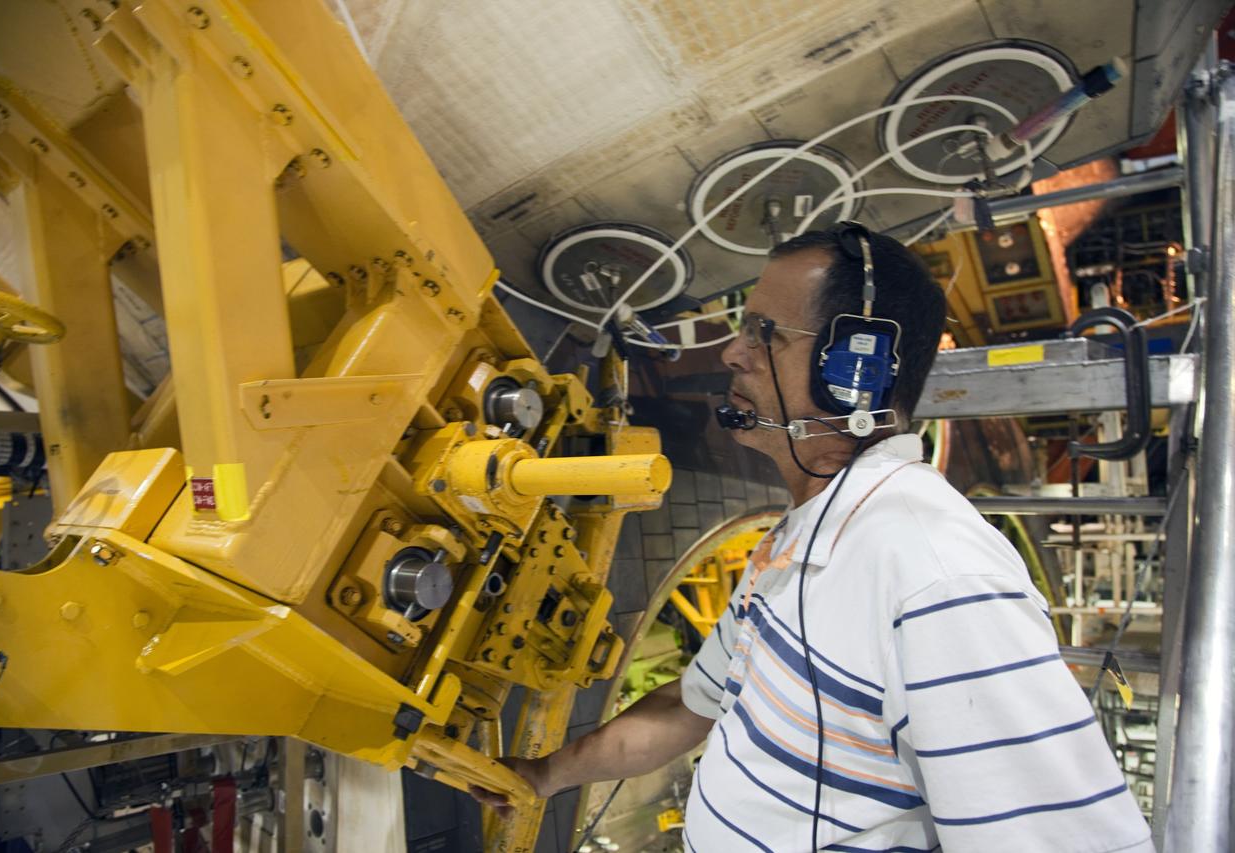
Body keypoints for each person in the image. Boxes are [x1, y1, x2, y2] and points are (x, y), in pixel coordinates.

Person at [473, 225, 1153, 852]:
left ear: (853, 373)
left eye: (766, 331)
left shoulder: (939, 575)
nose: (732, 352)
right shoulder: (802, 537)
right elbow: (690, 704)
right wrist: (543, 774)